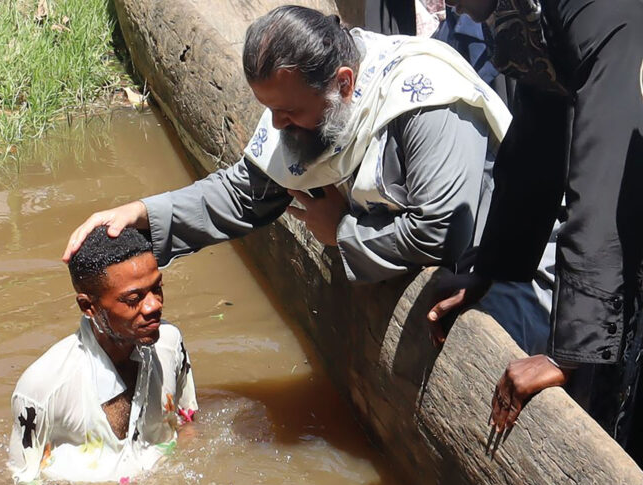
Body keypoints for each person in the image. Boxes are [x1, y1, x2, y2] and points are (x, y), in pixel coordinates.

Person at [63, 6, 512, 293]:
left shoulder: (427, 101)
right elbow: (244, 193)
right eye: (269, 110)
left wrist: (341, 233)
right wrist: (139, 212)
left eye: (288, 112)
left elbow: (441, 231)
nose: (276, 125)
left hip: (501, 271)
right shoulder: (311, 103)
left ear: (343, 84)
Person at [427, 0, 643, 459]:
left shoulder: (596, 12)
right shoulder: (517, 19)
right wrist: (490, 271)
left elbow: (602, 174)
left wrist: (566, 355)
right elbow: (537, 141)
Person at [9, 226, 197, 485]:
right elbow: (23, 484)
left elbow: (188, 425)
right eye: (134, 298)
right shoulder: (43, 387)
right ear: (89, 306)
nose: (155, 305)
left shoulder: (169, 343)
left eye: (157, 288)